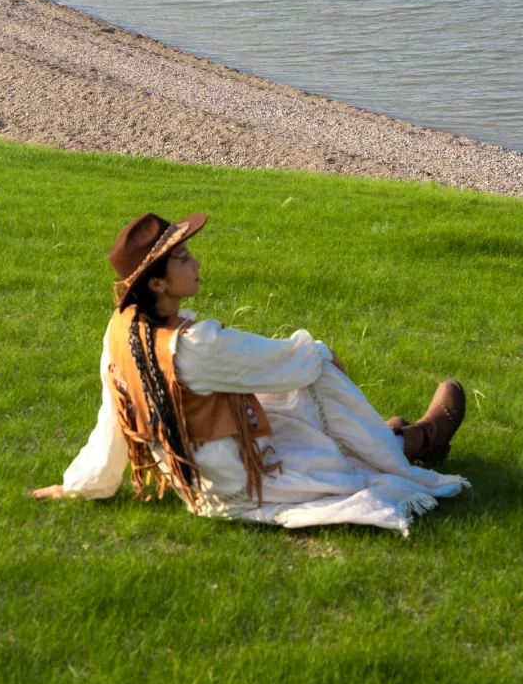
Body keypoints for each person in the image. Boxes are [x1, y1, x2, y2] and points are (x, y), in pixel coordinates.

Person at [32, 212, 469, 535]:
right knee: (315, 376)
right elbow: (286, 362)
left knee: (299, 392)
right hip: (239, 483)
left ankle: (388, 436)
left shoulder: (121, 331)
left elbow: (115, 420)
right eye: (184, 259)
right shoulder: (195, 347)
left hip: (199, 486)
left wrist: (84, 485)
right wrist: (320, 351)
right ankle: (413, 442)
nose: (197, 263)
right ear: (157, 285)